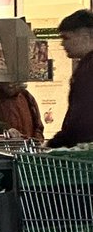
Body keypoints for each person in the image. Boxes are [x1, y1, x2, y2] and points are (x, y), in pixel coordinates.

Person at [46, 9, 93, 148]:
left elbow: (83, 114)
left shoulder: (88, 69)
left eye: (66, 38)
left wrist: (58, 143)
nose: (62, 44)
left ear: (85, 37)